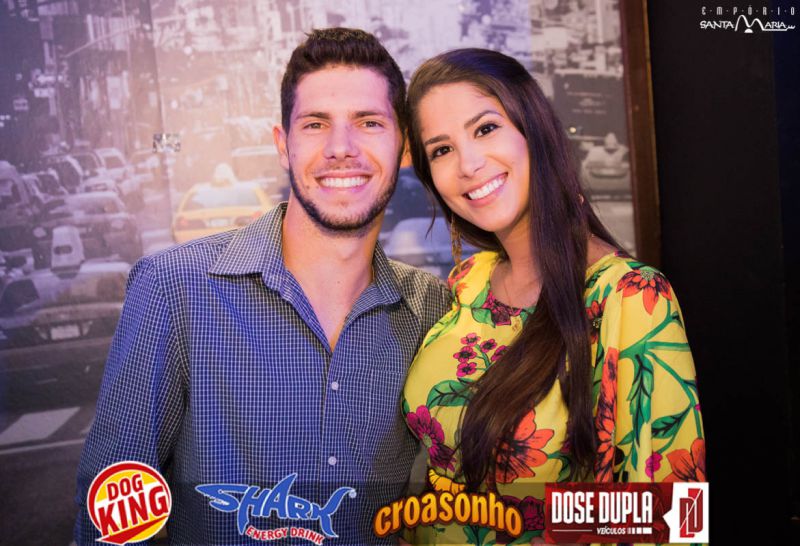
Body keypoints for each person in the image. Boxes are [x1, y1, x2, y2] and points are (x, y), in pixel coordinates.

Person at [74, 28, 451, 545]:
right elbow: (110, 523)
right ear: (283, 146)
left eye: (368, 123)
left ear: (402, 145)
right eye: (316, 124)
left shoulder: (431, 310)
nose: (341, 148)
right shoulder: (175, 289)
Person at [401, 48, 705, 545]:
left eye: (485, 128)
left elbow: (675, 518)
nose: (468, 164)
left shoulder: (630, 298)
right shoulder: (468, 281)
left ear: (534, 128)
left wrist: (522, 518)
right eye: (441, 150)